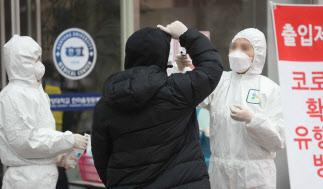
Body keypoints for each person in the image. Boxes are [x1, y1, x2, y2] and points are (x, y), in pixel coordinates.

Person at [91, 21, 223, 188]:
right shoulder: (177, 91)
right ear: (162, 56)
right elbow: (212, 67)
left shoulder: (107, 104)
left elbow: (101, 158)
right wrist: (185, 35)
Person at [176, 28, 286, 189]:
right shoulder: (219, 81)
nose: (236, 52)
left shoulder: (270, 89)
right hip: (220, 174)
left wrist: (253, 120)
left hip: (255, 176)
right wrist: (182, 70)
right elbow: (191, 97)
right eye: (233, 47)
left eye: (244, 48)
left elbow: (278, 141)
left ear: (258, 53)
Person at [0, 35, 88, 189]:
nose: (39, 65)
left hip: (41, 178)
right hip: (26, 181)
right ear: (21, 63)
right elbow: (25, 141)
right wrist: (68, 140)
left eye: (39, 59)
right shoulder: (13, 95)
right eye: (35, 60)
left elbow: (41, 133)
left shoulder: (36, 92)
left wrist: (57, 156)